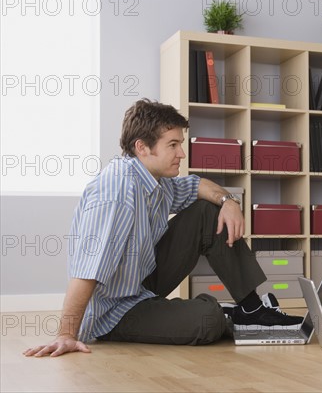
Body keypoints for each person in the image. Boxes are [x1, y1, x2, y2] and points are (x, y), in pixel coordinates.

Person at [24, 99, 302, 357]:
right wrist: (66, 334)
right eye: (173, 145)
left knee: (207, 210)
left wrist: (228, 201)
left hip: (140, 283)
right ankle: (224, 313)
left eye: (180, 143)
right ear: (142, 147)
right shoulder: (116, 195)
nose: (181, 153)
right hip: (112, 312)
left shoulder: (157, 180)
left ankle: (252, 310)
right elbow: (86, 271)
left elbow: (197, 186)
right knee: (208, 321)